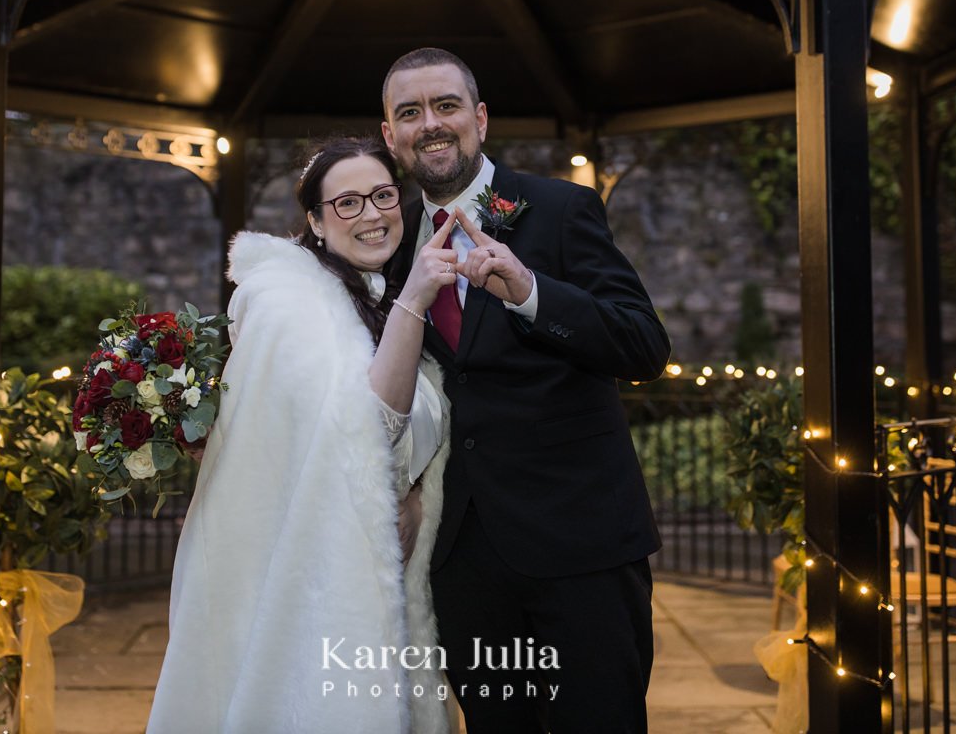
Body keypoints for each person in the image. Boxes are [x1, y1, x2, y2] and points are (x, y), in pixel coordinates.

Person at [383, 48, 671, 734]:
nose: (431, 124)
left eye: (446, 106)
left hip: (582, 546)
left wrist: (534, 293)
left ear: (478, 118)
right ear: (391, 135)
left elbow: (643, 346)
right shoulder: (388, 246)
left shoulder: (558, 208)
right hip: (461, 559)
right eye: (410, 113)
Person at [147, 136, 457, 734]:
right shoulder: (291, 303)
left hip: (389, 584)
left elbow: (397, 452)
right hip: (316, 589)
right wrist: (416, 298)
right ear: (314, 221)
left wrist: (416, 499)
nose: (371, 214)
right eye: (346, 203)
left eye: (383, 195)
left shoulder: (372, 296)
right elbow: (368, 432)